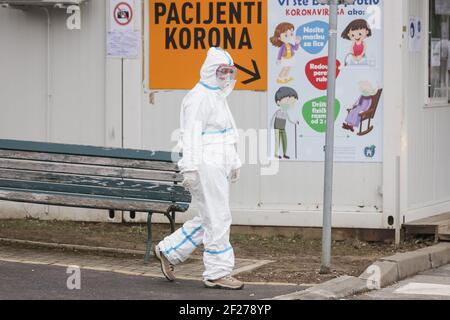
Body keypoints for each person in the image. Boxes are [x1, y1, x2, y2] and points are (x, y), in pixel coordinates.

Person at [154, 47, 244, 290]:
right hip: (206, 165)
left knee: (210, 217)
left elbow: (227, 133)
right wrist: (190, 168)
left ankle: (169, 251)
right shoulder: (199, 97)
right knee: (218, 217)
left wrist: (233, 161)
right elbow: (190, 135)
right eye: (222, 71)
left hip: (218, 164)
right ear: (210, 71)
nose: (226, 76)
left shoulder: (217, 96)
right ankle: (217, 272)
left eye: (229, 71)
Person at [270, 87, 300, 159]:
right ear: (278, 102)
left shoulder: (286, 113)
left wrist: (295, 122)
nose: (289, 104)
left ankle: (284, 154)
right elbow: (272, 119)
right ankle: (276, 154)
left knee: (284, 140)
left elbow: (289, 120)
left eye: (292, 102)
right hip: (277, 128)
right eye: (287, 101)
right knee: (277, 141)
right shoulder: (277, 112)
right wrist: (271, 126)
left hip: (283, 128)